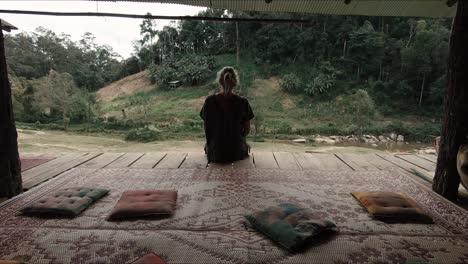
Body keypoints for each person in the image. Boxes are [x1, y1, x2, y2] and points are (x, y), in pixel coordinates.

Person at [200, 67, 254, 163]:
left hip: (216, 152)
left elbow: (207, 128)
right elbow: (247, 130)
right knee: (245, 146)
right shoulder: (243, 102)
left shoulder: (209, 101)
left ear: (219, 81)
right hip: (236, 152)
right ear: (235, 82)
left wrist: (210, 144)